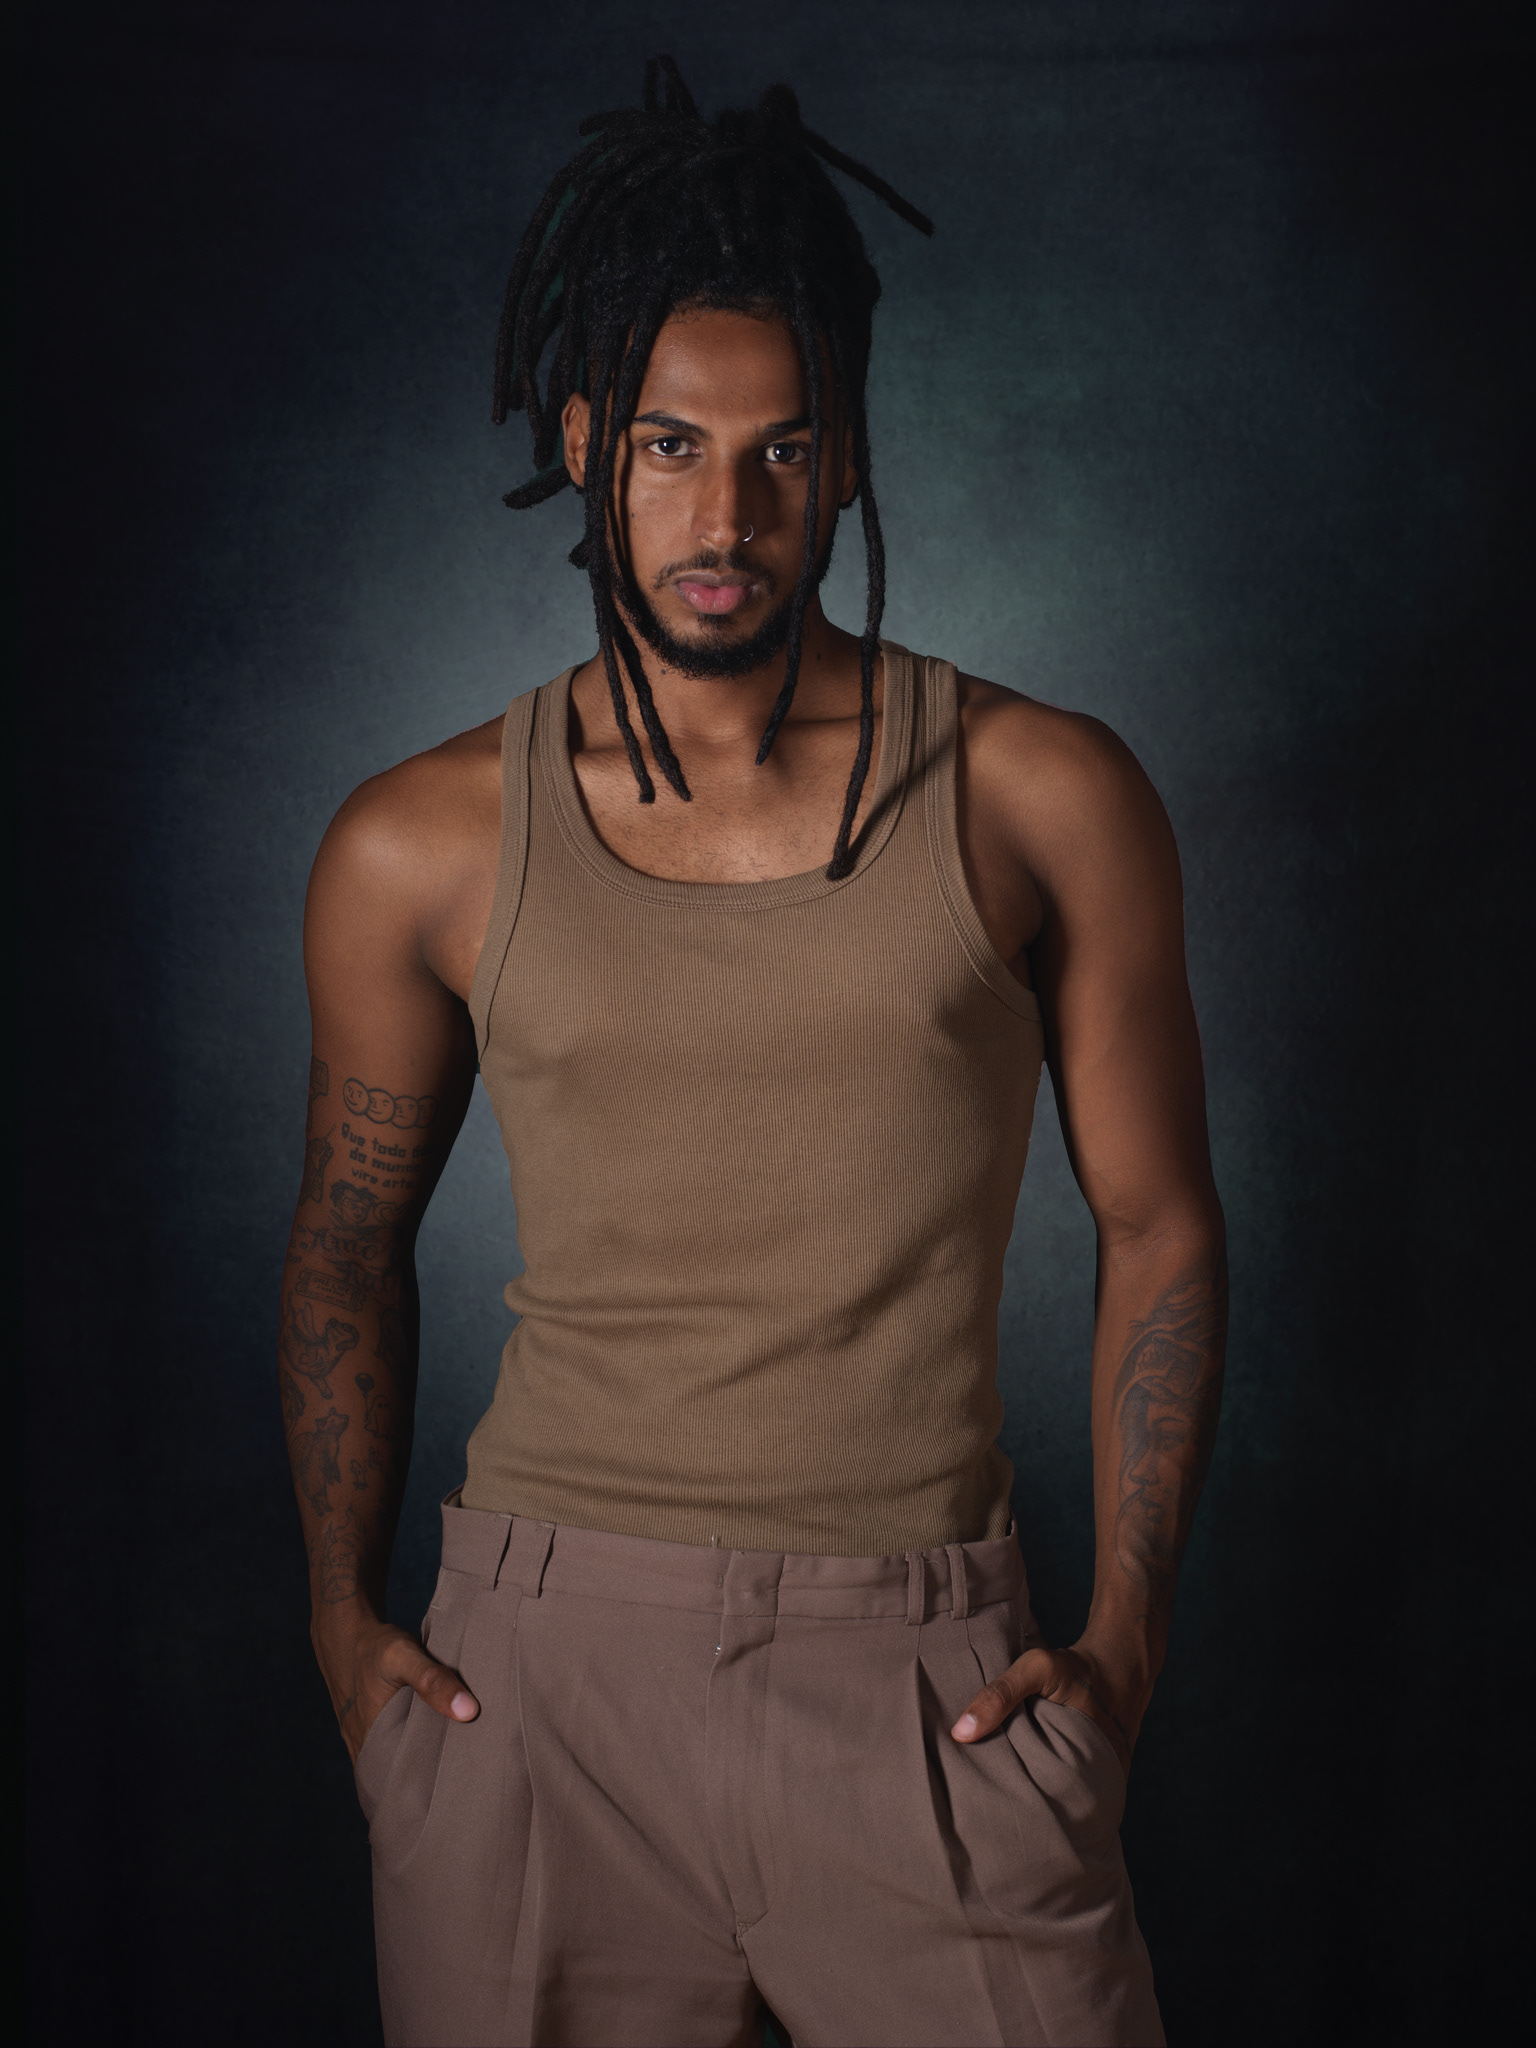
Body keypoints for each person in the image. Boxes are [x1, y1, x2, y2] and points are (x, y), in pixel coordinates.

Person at [281, 56, 1226, 2048]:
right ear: (583, 442)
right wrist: (345, 1629)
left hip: (925, 1675)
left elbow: (1158, 1223)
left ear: (849, 455)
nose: (725, 516)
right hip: (536, 1684)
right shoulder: (418, 840)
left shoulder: (1042, 792)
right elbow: (346, 1237)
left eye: (784, 450)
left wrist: (1126, 1644)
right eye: (668, 446)